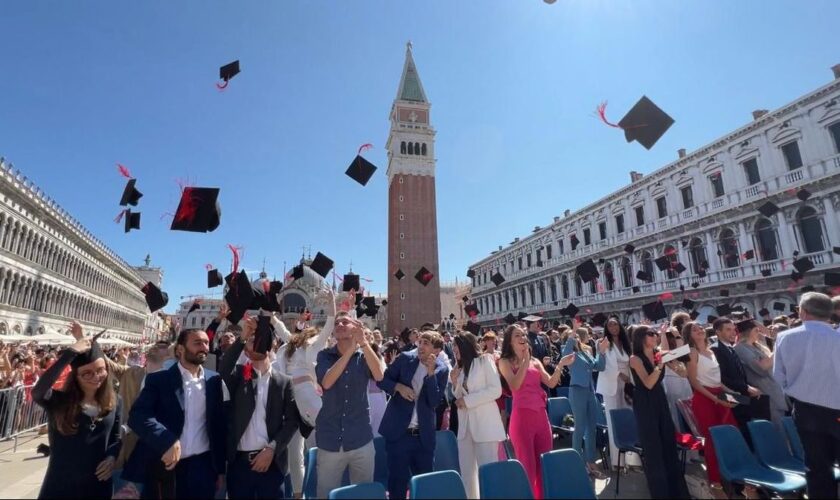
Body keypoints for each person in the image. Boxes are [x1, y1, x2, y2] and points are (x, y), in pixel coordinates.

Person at [128, 328, 227, 499]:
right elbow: (137, 415)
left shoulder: (214, 380)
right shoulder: (159, 379)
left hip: (202, 468)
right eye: (197, 343)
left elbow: (217, 425)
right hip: (167, 466)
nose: (204, 347)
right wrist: (167, 439)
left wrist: (219, 469)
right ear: (180, 349)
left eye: (206, 343)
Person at [32, 322, 122, 499]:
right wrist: (70, 353)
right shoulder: (59, 401)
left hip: (98, 486)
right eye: (87, 373)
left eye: (100, 370)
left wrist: (112, 457)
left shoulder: (115, 401)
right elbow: (38, 391)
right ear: (76, 377)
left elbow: (116, 438)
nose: (96, 377)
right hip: (61, 487)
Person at [219, 316, 300, 499]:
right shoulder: (239, 376)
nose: (256, 343)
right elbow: (224, 368)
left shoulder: (283, 382)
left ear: (270, 346)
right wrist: (243, 337)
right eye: (251, 342)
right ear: (246, 352)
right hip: (240, 464)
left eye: (260, 340)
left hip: (271, 462)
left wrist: (272, 449)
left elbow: (292, 421)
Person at [774, 292, 840, 499]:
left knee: (817, 467)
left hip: (805, 410)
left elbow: (779, 376)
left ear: (802, 312)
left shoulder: (784, 337)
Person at [498, 324, 574, 499]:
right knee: (528, 468)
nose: (523, 338)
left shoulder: (535, 361)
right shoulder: (505, 362)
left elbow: (551, 383)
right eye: (518, 335)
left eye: (523, 335)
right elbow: (515, 385)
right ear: (510, 341)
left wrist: (561, 363)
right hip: (522, 419)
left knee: (544, 465)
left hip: (541, 417)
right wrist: (524, 361)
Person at [314, 313, 385, 498]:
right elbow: (327, 382)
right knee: (325, 494)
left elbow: (379, 376)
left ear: (355, 327)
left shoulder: (364, 355)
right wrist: (350, 350)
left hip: (360, 438)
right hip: (330, 439)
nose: (339, 324)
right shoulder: (324, 356)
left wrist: (363, 344)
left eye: (345, 322)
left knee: (363, 494)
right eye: (336, 322)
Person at [272, 290, 334, 498]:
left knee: (322, 444)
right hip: (288, 398)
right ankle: (298, 495)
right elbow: (281, 330)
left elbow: (329, 327)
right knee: (294, 453)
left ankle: (324, 489)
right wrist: (272, 316)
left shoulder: (315, 343)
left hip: (307, 394)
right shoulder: (292, 344)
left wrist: (332, 303)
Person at [377, 330, 448, 499]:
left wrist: (431, 374)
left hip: (423, 437)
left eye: (426, 343)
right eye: (420, 342)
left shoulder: (441, 369)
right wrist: (399, 388)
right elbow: (383, 381)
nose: (421, 346)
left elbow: (434, 402)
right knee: (398, 484)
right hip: (399, 435)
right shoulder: (405, 359)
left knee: (425, 484)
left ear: (436, 351)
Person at [629, 325, 690, 499]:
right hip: (645, 403)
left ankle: (677, 492)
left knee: (668, 444)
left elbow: (683, 353)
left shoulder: (659, 354)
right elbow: (648, 383)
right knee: (653, 448)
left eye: (656, 333)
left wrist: (675, 334)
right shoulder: (635, 358)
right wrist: (659, 365)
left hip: (660, 400)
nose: (655, 336)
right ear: (641, 337)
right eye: (651, 334)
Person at [448, 332, 504, 498]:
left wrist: (468, 401)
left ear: (465, 345)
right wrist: (455, 382)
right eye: (453, 346)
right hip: (465, 428)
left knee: (487, 472)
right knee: (467, 474)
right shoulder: (460, 368)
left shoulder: (484, 361)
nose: (453, 349)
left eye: (456, 345)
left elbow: (496, 390)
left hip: (485, 426)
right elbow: (459, 398)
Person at [684, 321, 737, 495]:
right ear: (689, 335)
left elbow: (717, 379)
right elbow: (694, 381)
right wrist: (715, 398)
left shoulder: (712, 351)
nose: (699, 330)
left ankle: (731, 475)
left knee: (731, 434)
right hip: (704, 399)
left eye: (700, 327)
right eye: (694, 329)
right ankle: (715, 482)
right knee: (712, 440)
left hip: (719, 396)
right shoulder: (691, 352)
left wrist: (731, 392)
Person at [710, 318, 768, 441]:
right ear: (718, 332)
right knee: (742, 429)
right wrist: (746, 388)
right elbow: (721, 377)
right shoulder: (716, 349)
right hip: (729, 396)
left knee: (753, 424)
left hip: (741, 394)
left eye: (734, 329)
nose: (733, 333)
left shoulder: (729, 347)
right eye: (728, 330)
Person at [562, 326, 608, 478]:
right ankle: (577, 464)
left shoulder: (585, 352)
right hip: (577, 391)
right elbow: (566, 353)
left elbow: (599, 366)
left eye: (576, 336)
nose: (575, 338)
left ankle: (591, 463)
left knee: (592, 429)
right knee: (580, 428)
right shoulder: (569, 353)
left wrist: (601, 352)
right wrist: (573, 332)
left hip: (590, 392)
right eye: (572, 337)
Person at [597, 317, 640, 470]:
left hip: (627, 383)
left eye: (616, 324)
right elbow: (606, 365)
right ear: (606, 328)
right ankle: (617, 462)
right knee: (614, 420)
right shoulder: (603, 343)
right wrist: (620, 375)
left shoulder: (626, 343)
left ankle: (632, 460)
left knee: (629, 417)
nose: (613, 327)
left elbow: (630, 362)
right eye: (610, 324)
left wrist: (629, 378)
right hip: (612, 383)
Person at [734, 320, 788, 431]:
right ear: (748, 332)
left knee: (786, 430)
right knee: (778, 433)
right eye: (756, 330)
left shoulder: (757, 346)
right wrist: (778, 347)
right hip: (765, 397)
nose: (759, 333)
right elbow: (761, 368)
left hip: (776, 393)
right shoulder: (741, 348)